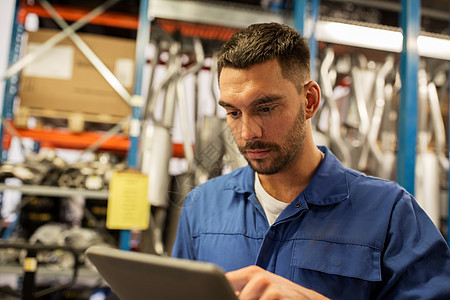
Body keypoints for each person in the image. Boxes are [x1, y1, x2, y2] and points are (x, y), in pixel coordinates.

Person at [172, 22, 450, 299]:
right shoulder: (202, 206)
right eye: (233, 113)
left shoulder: (390, 213)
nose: (248, 133)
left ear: (310, 101)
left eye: (265, 108)